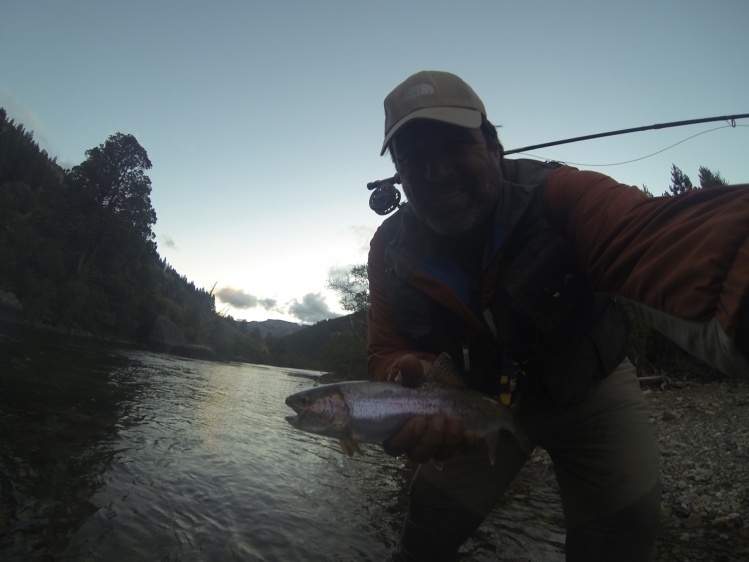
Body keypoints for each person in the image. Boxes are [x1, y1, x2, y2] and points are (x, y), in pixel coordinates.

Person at [367, 70, 749, 562]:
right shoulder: (389, 248)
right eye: (414, 159)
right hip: (469, 404)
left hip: (589, 391)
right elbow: (385, 349)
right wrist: (412, 373)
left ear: (493, 145)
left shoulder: (558, 193)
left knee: (622, 531)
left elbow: (656, 238)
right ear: (399, 172)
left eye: (454, 146)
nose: (436, 172)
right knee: (426, 525)